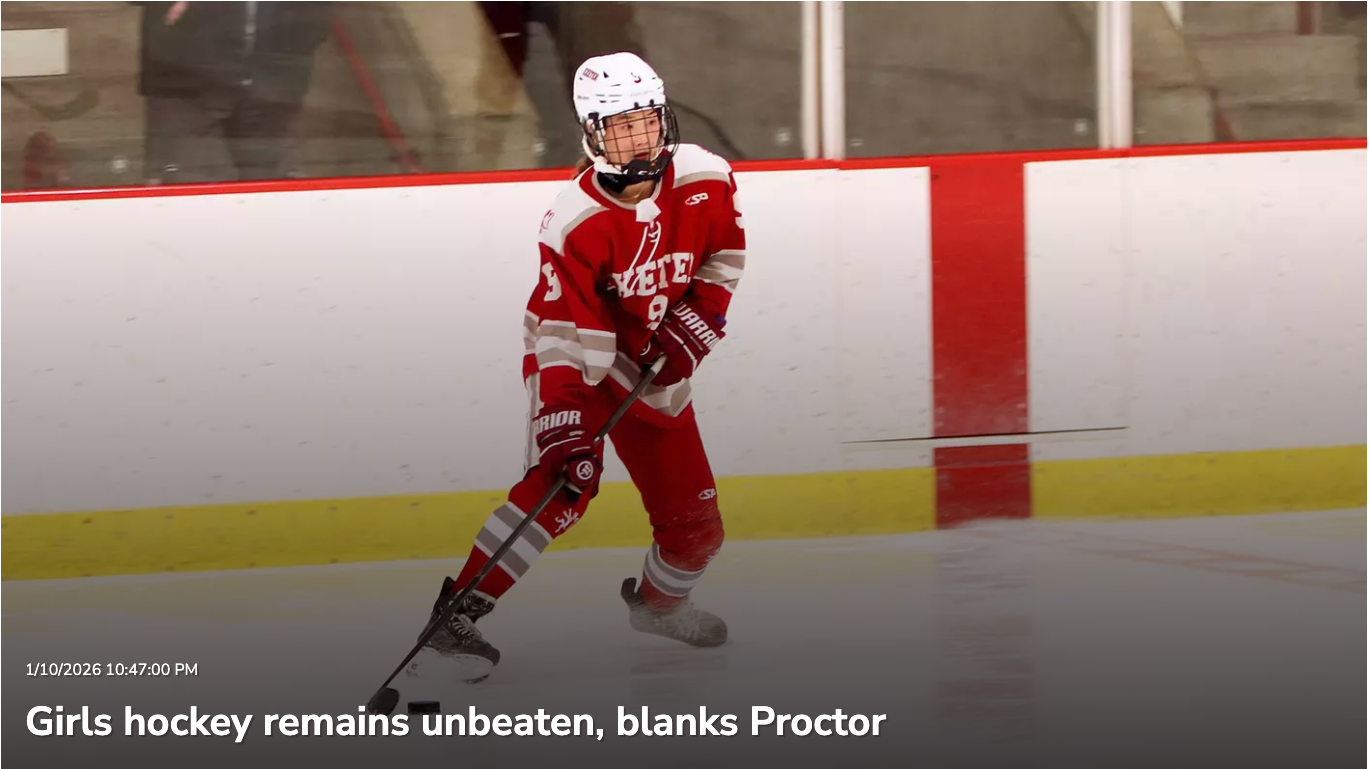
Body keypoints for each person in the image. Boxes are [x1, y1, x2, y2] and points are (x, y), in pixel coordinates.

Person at [410, 52, 747, 684]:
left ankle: (659, 606)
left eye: (647, 120)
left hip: (655, 369)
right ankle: (457, 614)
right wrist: (565, 417)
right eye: (620, 126)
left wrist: (700, 317)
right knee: (565, 483)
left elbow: (723, 253)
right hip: (578, 360)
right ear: (593, 134)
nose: (639, 137)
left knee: (697, 527)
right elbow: (563, 329)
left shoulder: (707, 177)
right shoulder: (574, 221)